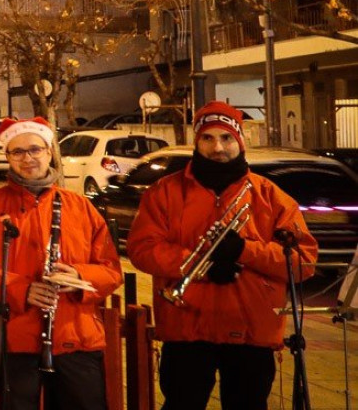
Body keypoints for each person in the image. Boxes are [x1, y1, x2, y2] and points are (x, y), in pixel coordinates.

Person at [128, 101, 317, 410]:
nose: (218, 147)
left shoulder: (270, 196)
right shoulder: (163, 192)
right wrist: (202, 265)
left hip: (250, 331)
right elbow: (142, 249)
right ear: (197, 141)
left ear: (240, 140)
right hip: (186, 328)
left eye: (227, 138)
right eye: (208, 138)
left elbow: (303, 262)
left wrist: (244, 251)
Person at [0, 117, 123, 410]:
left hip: (76, 336)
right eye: (17, 152)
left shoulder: (80, 206)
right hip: (14, 337)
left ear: (49, 152)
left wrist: (78, 275)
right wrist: (20, 290)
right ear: (7, 157)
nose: (28, 158)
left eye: (35, 149)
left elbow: (111, 269)